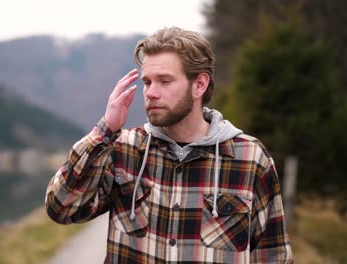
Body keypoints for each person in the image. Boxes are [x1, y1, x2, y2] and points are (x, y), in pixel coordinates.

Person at [45, 27, 294, 263]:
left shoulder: (249, 157)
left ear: (199, 85)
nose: (151, 92)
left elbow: (273, 255)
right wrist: (105, 131)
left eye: (164, 81)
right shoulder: (124, 149)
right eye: (147, 82)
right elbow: (62, 209)